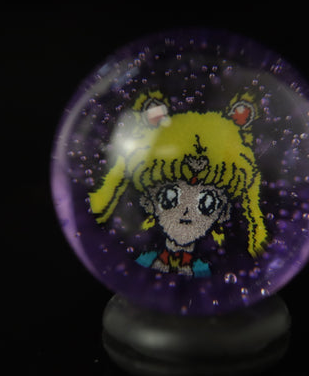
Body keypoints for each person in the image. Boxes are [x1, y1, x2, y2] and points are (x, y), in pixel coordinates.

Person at [89, 91, 268, 276]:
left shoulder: (210, 270)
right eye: (170, 198)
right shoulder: (140, 260)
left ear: (223, 212)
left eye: (207, 203)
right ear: (150, 202)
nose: (186, 212)